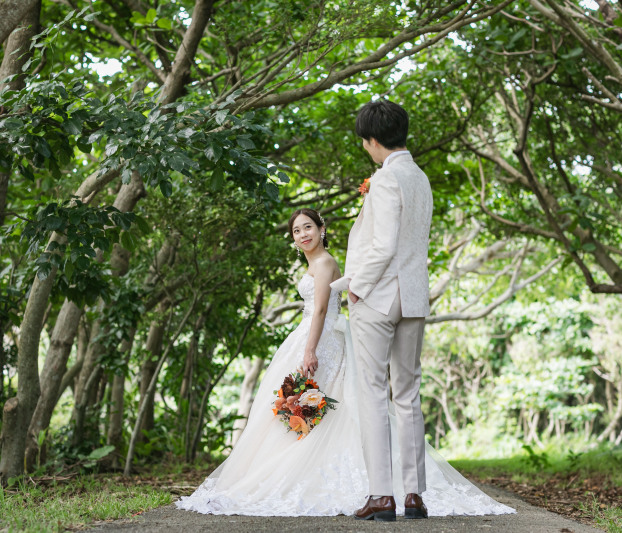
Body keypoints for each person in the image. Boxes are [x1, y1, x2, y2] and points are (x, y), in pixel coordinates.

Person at [175, 207, 515, 518]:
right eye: (296, 231)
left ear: (322, 229)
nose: (303, 234)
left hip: (321, 338)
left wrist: (309, 351)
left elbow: (321, 309)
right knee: (304, 405)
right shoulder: (313, 263)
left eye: (308, 227)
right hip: (312, 333)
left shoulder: (324, 263)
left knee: (321, 404)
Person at [330, 99, 436, 520]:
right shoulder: (421, 177)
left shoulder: (387, 179)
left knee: (374, 392)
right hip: (413, 295)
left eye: (364, 142)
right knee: (408, 394)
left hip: (378, 296)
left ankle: (381, 495)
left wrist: (356, 287)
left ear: (373, 140)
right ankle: (414, 495)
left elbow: (383, 245)